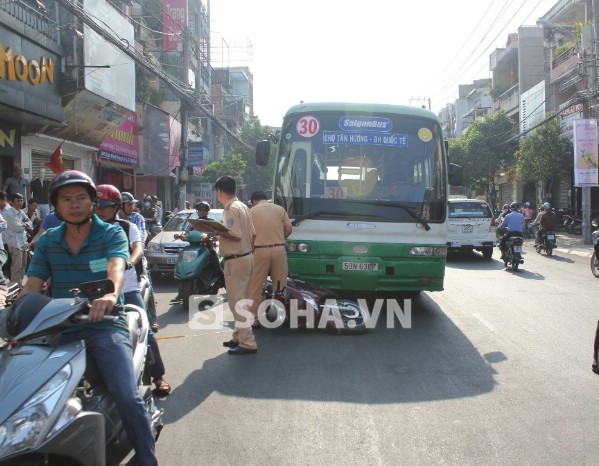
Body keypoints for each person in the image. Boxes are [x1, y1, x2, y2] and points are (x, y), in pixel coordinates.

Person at [21, 170, 158, 465]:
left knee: (126, 395)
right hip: (59, 328)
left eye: (81, 197)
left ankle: (148, 459)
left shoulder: (111, 233)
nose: (74, 204)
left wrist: (109, 296)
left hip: (105, 326)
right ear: (56, 206)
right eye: (66, 199)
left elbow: (116, 269)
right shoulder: (48, 242)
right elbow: (32, 285)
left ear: (93, 202)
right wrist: (19, 311)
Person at [96, 184, 170, 396]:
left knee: (144, 330)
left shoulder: (127, 228)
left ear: (117, 206)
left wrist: (128, 261)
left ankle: (158, 376)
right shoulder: (83, 231)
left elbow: (137, 249)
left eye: (105, 206)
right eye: (97, 206)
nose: (100, 211)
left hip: (125, 288)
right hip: (92, 291)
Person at [214, 176, 257, 355]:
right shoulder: (243, 207)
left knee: (237, 303)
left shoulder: (231, 208)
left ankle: (247, 342)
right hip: (247, 256)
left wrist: (217, 230)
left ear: (219, 192)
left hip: (236, 259)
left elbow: (235, 234)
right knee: (243, 300)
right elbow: (252, 234)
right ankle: (238, 336)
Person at [247, 191, 292, 329]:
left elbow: (249, 234)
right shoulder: (279, 209)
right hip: (279, 249)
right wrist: (280, 238)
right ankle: (277, 315)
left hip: (260, 250)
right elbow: (289, 229)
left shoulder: (251, 212)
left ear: (254, 200)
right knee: (280, 284)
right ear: (267, 199)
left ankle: (255, 318)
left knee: (256, 286)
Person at [4, 193, 32, 286]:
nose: (20, 203)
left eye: (21, 200)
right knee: (16, 267)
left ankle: (19, 285)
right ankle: (15, 287)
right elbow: (17, 227)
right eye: (18, 201)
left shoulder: (21, 212)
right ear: (12, 202)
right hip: (14, 243)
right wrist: (25, 224)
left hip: (23, 241)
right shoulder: (8, 213)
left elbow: (30, 223)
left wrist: (24, 224)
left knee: (23, 265)